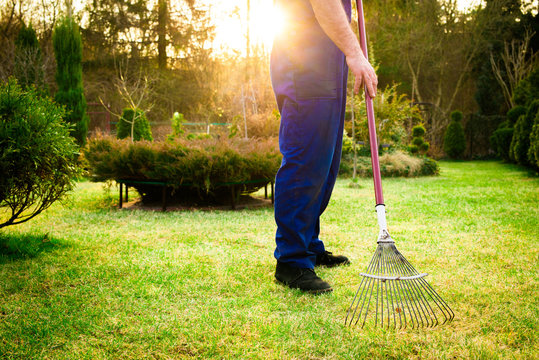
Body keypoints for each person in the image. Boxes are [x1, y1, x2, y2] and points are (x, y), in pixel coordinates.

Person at [271, 0, 378, 293]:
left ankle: (308, 244)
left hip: (325, 64)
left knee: (323, 164)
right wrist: (355, 53)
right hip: (306, 64)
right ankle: (292, 260)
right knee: (306, 159)